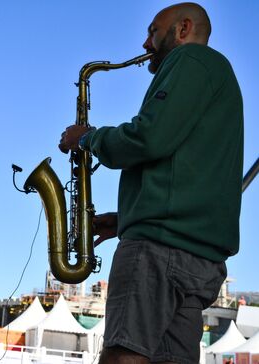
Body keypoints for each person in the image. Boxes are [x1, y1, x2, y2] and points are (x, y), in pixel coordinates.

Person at [59, 3, 243, 364]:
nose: (145, 44)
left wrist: (87, 138)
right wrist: (127, 216)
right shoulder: (217, 75)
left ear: (183, 28)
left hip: (159, 250)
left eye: (153, 32)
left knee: (122, 356)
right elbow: (185, 168)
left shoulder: (191, 61)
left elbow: (149, 138)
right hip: (198, 257)